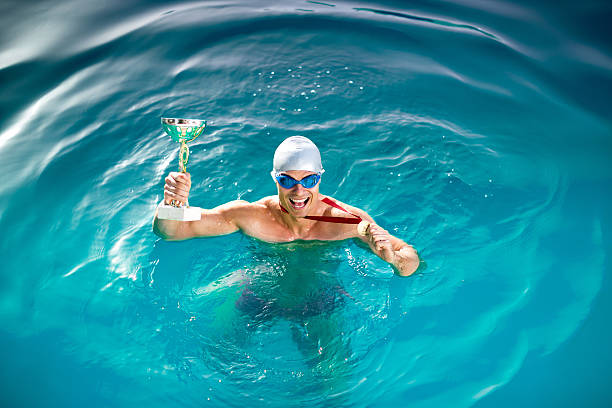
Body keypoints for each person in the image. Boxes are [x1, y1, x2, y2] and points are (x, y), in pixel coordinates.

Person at [153, 136, 420, 276]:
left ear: (320, 178)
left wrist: (393, 259)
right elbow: (173, 231)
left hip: (320, 300)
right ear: (275, 179)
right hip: (258, 289)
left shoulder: (350, 221)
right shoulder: (250, 215)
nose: (299, 190)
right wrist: (173, 203)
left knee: (332, 375)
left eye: (309, 179)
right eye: (287, 179)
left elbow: (410, 257)